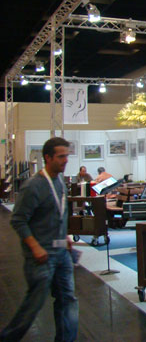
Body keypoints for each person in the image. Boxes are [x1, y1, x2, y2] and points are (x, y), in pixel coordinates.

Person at [0, 137, 78, 341]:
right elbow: (18, 220)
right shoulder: (32, 186)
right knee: (34, 304)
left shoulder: (60, 182)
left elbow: (57, 213)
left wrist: (64, 236)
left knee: (68, 300)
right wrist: (35, 247)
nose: (65, 160)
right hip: (41, 257)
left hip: (61, 253)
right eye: (61, 156)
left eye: (66, 156)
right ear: (48, 158)